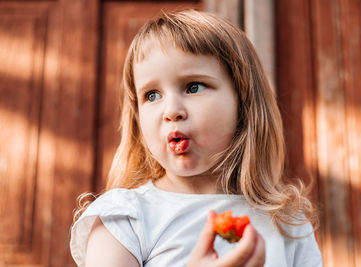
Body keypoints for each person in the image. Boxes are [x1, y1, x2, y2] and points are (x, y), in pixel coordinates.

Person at [70, 9, 322, 267]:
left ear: (243, 102)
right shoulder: (124, 218)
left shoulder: (287, 222)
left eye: (193, 87)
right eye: (152, 95)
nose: (171, 112)